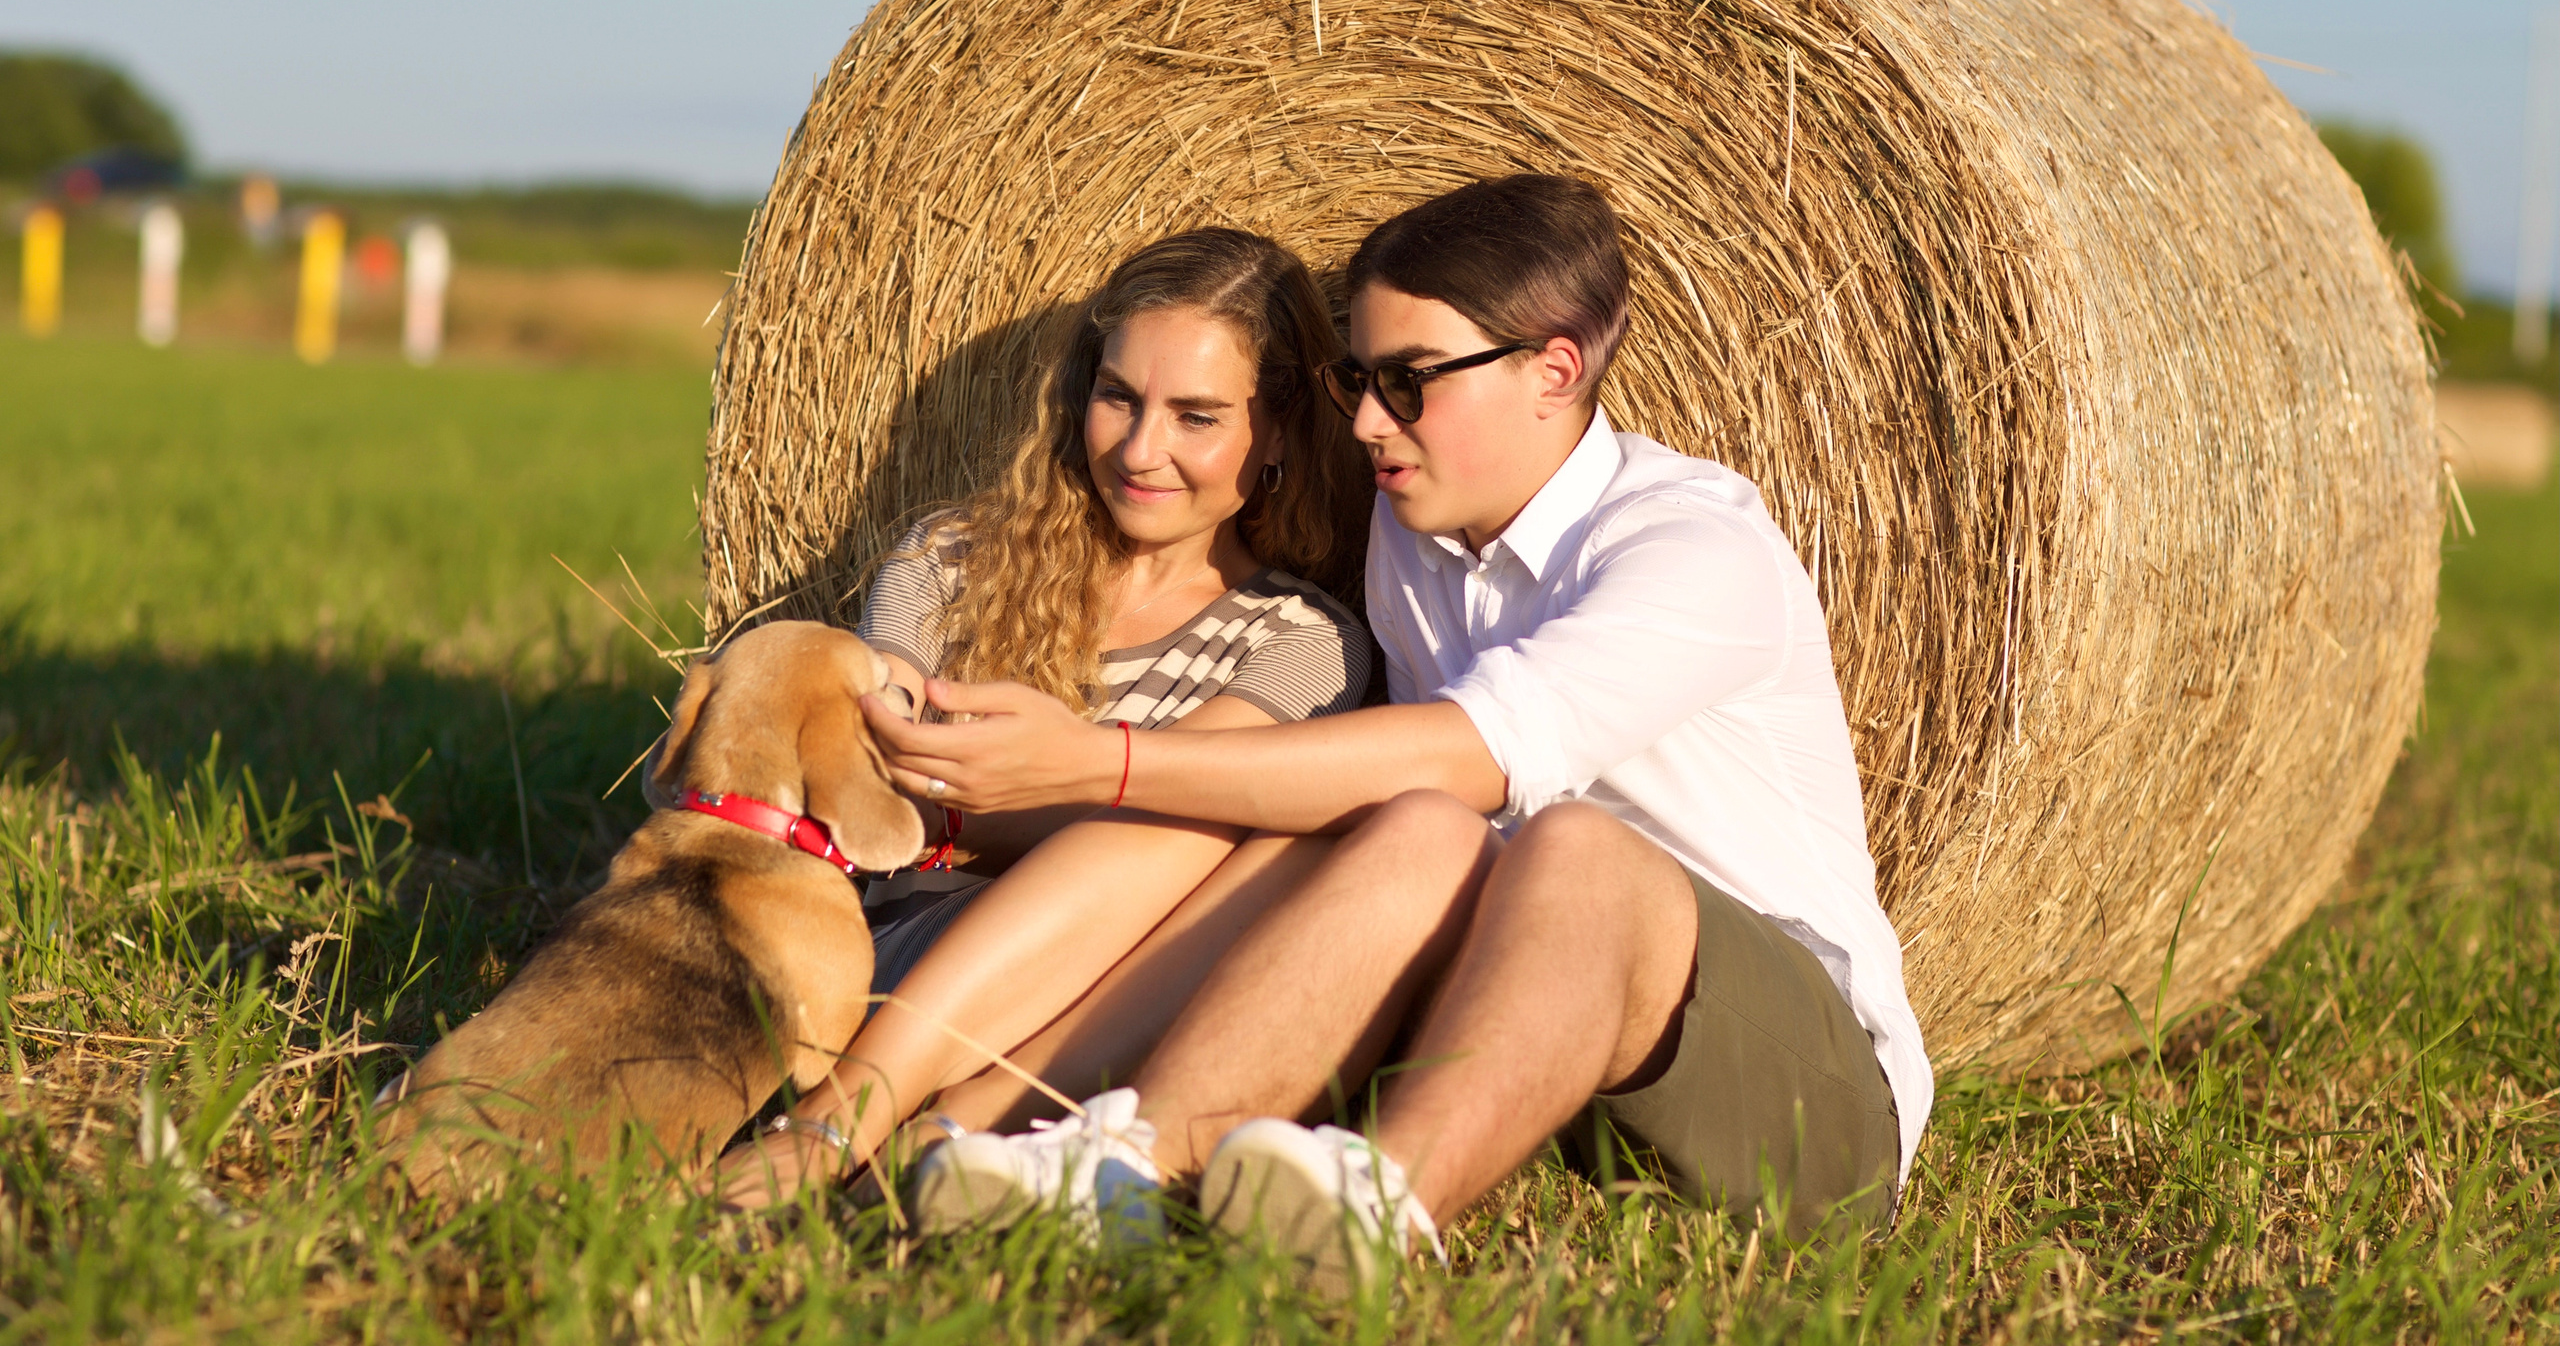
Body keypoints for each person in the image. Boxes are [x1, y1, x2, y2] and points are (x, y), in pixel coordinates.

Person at [860, 175, 1933, 1286]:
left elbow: (1477, 752)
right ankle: (1119, 1162)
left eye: (1410, 382)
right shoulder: (1405, 544)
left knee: (1565, 843)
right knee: (1410, 826)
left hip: (1794, 1099)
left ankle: (1377, 1205)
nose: (1367, 421)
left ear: (1554, 369)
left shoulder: (1689, 548)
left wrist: (1096, 760)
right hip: (1514, 1047)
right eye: (1357, 380)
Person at [701, 227, 1377, 1208]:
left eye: (1196, 417)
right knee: (1179, 813)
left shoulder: (1301, 641)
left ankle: (937, 1127)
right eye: (1119, 398)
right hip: (869, 957)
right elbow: (863, 762)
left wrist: (960, 808)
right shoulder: (953, 560)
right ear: (1078, 394)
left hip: (1100, 1006)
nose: (1143, 450)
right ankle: (874, 1116)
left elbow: (1186, 815)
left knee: (1206, 825)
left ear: (1274, 432)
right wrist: (1044, 790)